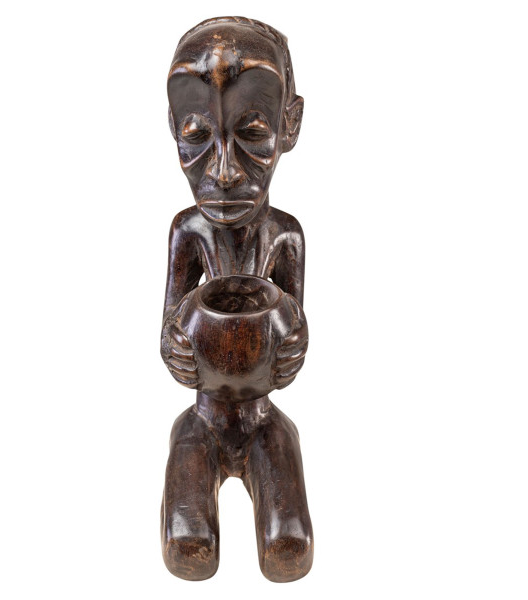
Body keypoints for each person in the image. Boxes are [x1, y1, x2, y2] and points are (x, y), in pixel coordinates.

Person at [160, 17, 313, 582]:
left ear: (289, 124)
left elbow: (295, 326)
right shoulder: (188, 232)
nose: (223, 172)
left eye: (252, 134)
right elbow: (169, 327)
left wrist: (292, 347)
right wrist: (176, 348)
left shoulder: (285, 236)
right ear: (172, 128)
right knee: (187, 538)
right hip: (200, 419)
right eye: (196, 136)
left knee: (288, 542)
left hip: (264, 417)